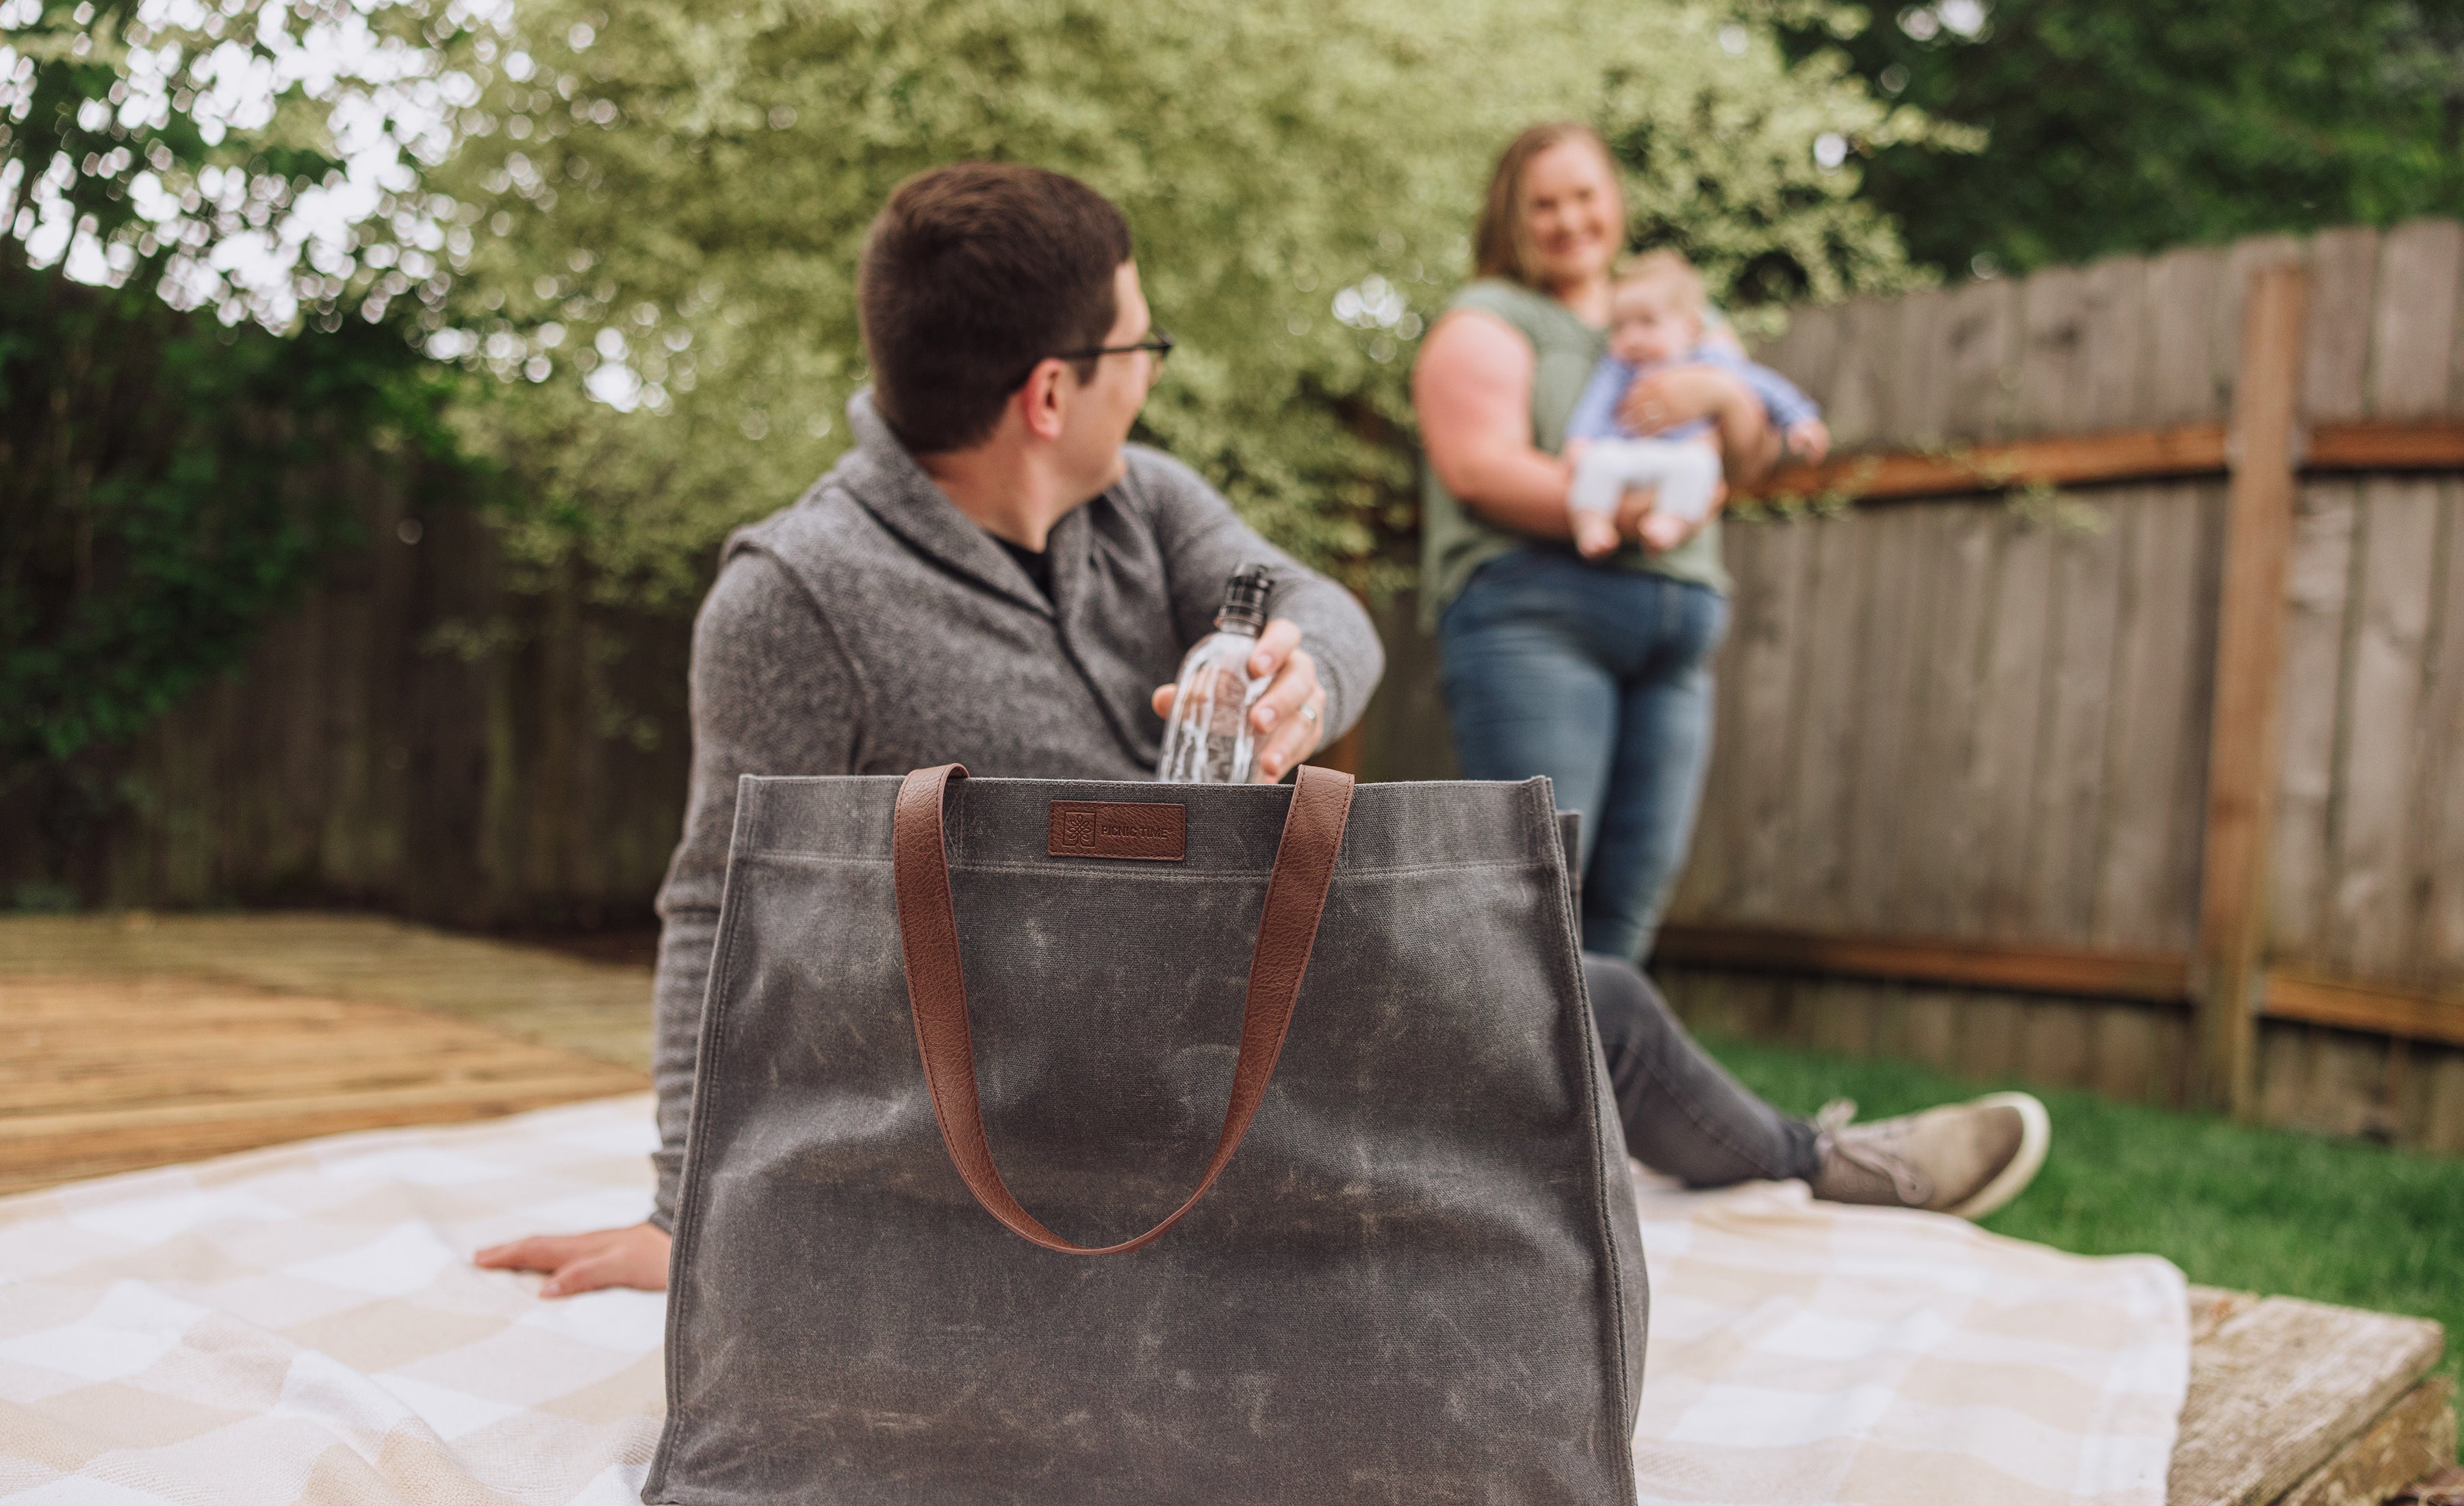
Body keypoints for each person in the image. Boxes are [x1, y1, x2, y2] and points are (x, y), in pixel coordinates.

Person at [477, 162, 2048, 1299]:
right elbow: (716, 906)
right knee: (1566, 1026)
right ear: (1049, 392)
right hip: (1029, 1093)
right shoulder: (792, 598)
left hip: (1236, 985)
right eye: (1139, 348)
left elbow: (1311, 600)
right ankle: (1812, 1164)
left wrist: (1308, 671)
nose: (1151, 378)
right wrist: (687, 1212)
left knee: (1575, 988)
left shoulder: (1143, 504)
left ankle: (1818, 1165)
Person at [1416, 123, 1763, 965]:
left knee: (1628, 911)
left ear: (1616, 199)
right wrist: (1633, 509)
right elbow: (1480, 469)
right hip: (1538, 619)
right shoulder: (1488, 319)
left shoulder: (1678, 313)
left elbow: (1749, 456)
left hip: (1676, 640)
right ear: (1511, 216)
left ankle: (1601, 1059)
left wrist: (1726, 395)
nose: (1570, 220)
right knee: (1537, 899)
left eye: (1585, 196)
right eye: (1544, 204)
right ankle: (1504, 1059)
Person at [1566, 251, 1830, 557]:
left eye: (1647, 322)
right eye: (1620, 326)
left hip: (1682, 453)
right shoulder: (1617, 368)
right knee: (1598, 461)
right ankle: (1592, 523)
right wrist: (1580, 440)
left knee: (1701, 466)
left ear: (1691, 328)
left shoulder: (1710, 361)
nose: (1632, 337)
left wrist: (1800, 419)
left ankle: (1671, 523)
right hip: (1627, 451)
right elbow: (1595, 406)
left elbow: (1762, 385)